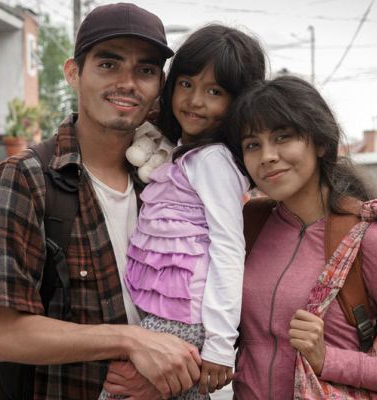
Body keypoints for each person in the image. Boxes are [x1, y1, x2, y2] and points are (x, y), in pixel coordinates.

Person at [0, 3, 203, 399]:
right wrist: (132, 341)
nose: (128, 83)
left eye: (145, 71)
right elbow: (3, 334)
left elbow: (210, 296)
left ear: (160, 85)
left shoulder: (171, 179)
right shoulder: (27, 178)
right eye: (108, 65)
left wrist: (169, 375)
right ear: (73, 73)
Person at [224, 76, 377, 399]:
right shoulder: (250, 224)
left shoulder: (370, 236)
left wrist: (327, 359)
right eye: (252, 144)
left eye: (283, 137)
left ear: (320, 143)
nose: (267, 156)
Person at [98, 24, 266, 399]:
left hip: (185, 315)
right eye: (186, 84)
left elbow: (228, 247)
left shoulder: (213, 160)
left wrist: (221, 344)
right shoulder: (184, 153)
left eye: (215, 92)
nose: (195, 100)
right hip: (170, 310)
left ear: (238, 101)